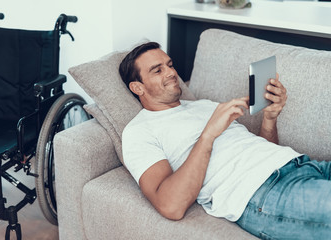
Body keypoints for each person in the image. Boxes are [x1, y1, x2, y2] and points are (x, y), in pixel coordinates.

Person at [119, 42, 331, 239]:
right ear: (137, 87)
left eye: (170, 65)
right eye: (158, 70)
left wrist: (269, 119)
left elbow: (260, 151)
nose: (171, 73)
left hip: (303, 164)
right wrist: (209, 134)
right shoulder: (139, 131)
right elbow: (170, 206)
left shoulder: (204, 105)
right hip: (262, 193)